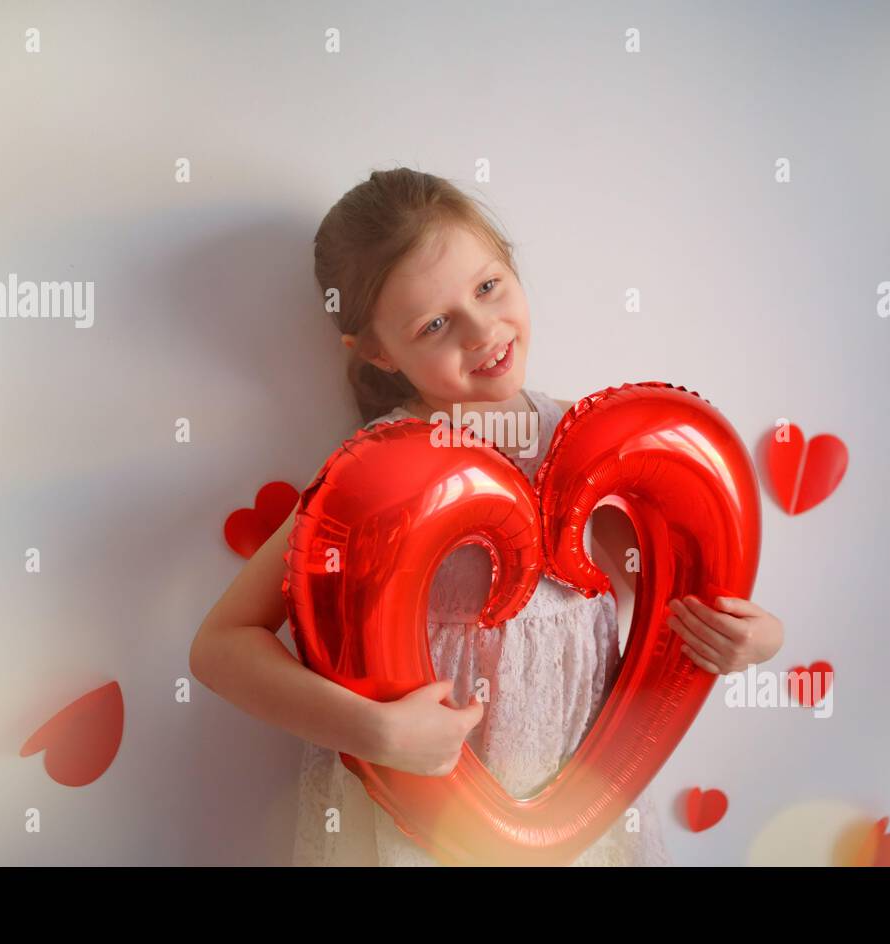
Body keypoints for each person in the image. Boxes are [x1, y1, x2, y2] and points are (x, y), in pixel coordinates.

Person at [189, 167, 784, 866]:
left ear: (510, 265)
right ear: (379, 352)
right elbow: (220, 646)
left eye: (488, 287)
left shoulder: (594, 446)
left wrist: (755, 638)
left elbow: (669, 590)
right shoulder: (372, 480)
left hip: (580, 799)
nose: (480, 331)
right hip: (420, 815)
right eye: (434, 323)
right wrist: (371, 733)